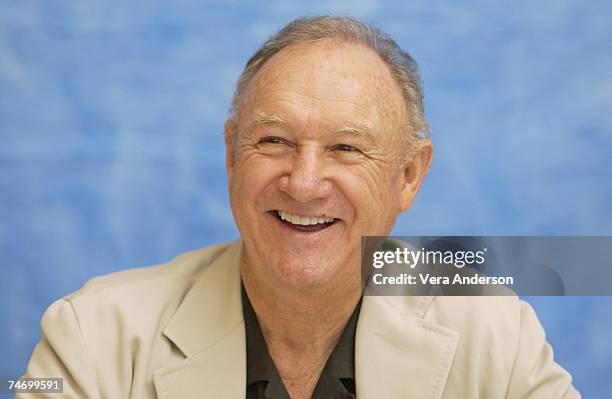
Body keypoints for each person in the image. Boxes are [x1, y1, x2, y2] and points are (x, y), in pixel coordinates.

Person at [19, 16, 580, 399]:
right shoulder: (91, 336)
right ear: (232, 157)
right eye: (274, 142)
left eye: (345, 148)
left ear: (409, 176)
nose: (305, 183)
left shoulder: (495, 331)